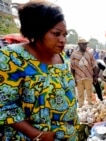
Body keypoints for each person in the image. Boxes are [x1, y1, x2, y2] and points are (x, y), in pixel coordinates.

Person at [0, 1, 79, 141]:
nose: (63, 40)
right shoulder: (12, 57)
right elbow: (5, 105)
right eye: (56, 34)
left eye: (64, 34)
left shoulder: (63, 58)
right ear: (38, 30)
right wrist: (36, 134)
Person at [70, 38, 98, 106]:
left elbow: (94, 65)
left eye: (86, 44)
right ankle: (81, 106)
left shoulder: (89, 54)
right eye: (83, 44)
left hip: (88, 76)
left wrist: (95, 76)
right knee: (80, 94)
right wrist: (73, 78)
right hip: (78, 77)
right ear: (79, 44)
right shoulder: (74, 54)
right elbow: (72, 67)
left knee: (89, 93)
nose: (85, 45)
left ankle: (90, 105)